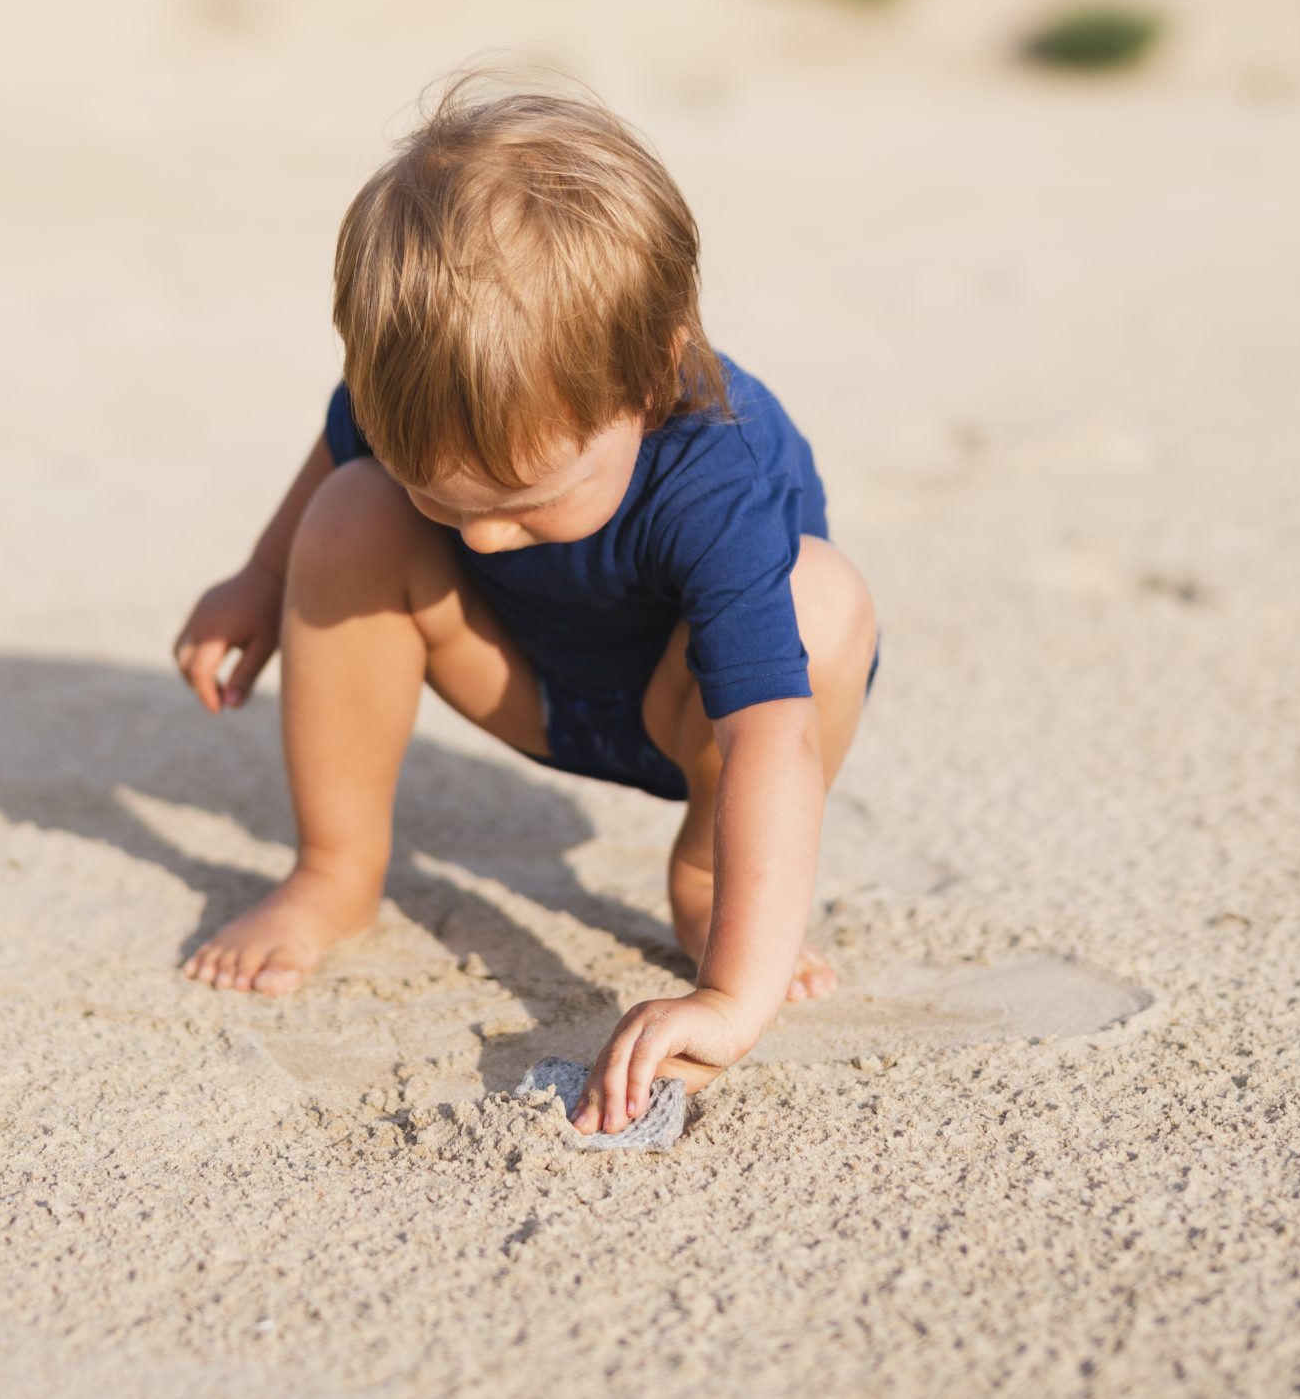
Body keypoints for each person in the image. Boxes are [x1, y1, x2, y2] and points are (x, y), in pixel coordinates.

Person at [171, 72, 880, 1138]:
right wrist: (265, 580)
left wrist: (732, 999)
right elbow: (340, 447)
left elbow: (770, 731)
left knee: (820, 597)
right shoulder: (424, 380)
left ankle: (705, 872)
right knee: (354, 509)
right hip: (521, 675)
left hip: (687, 710)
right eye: (445, 500)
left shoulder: (715, 470)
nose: (484, 535)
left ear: (649, 375)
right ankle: (334, 867)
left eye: (524, 499)